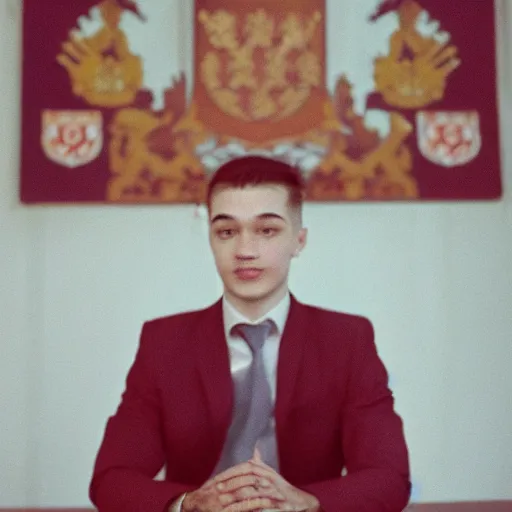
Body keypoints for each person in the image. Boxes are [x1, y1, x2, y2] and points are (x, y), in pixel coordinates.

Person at [89, 156, 411, 512]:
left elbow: (389, 478)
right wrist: (189, 504)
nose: (245, 251)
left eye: (267, 230)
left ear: (299, 240)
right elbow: (112, 479)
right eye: (227, 232)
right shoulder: (164, 343)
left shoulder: (347, 341)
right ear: (211, 239)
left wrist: (308, 503)